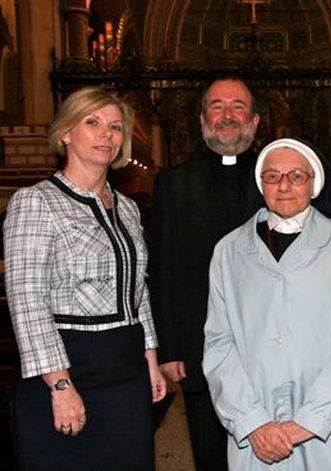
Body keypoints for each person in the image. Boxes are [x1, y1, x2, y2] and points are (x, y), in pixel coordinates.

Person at [3, 86, 166, 470]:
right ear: (65, 133)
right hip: (67, 364)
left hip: (126, 369)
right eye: (92, 122)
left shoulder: (126, 207)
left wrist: (151, 358)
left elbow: (138, 289)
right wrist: (59, 386)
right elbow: (27, 301)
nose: (106, 133)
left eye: (114, 126)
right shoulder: (36, 201)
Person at [202, 137, 331, 470]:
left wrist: (309, 421)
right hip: (257, 428)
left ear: (314, 184)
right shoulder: (228, 250)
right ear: (260, 183)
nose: (284, 185)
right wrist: (252, 421)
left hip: (328, 430)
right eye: (272, 176)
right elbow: (219, 344)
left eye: (297, 176)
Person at [148, 76, 261, 470]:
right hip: (199, 346)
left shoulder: (279, 179)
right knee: (211, 454)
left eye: (237, 106)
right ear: (202, 120)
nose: (227, 115)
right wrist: (169, 348)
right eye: (217, 106)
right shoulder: (173, 184)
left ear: (255, 120)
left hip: (271, 344)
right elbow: (162, 269)